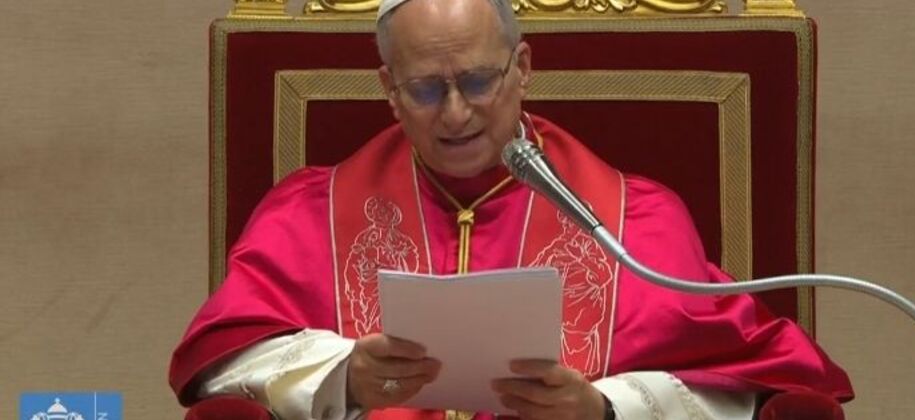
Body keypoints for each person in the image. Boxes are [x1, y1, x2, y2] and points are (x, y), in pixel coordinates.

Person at [169, 0, 853, 418]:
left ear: (522, 67)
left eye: (477, 81)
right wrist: (344, 376)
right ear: (388, 89)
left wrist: (601, 409)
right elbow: (221, 365)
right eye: (425, 89)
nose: (456, 114)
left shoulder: (634, 222)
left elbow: (752, 387)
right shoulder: (307, 214)